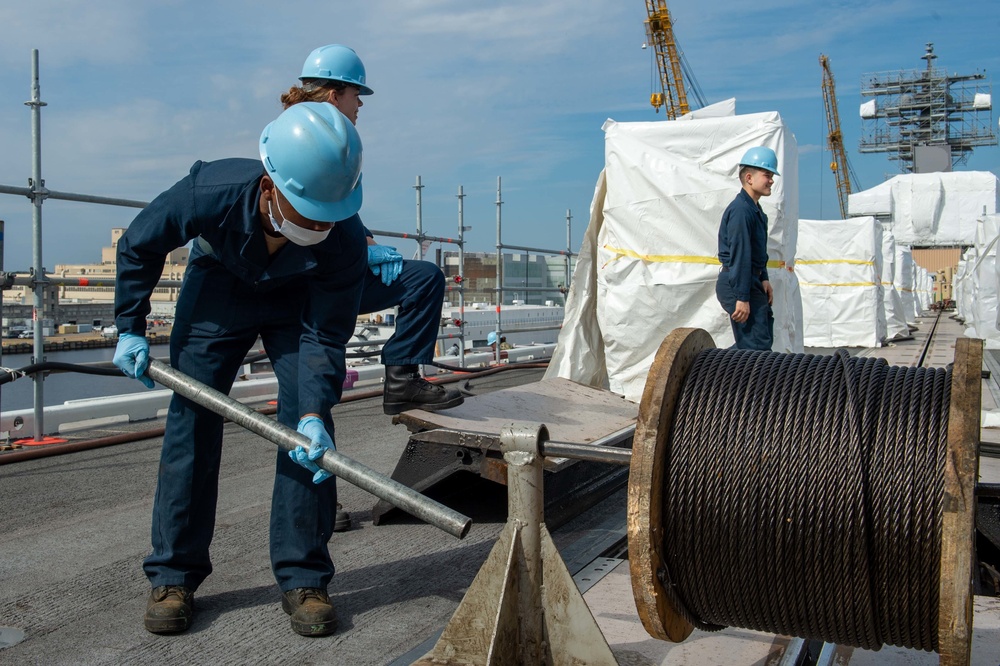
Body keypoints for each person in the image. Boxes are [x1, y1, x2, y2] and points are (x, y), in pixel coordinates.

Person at [113, 102, 367, 637]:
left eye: (327, 214)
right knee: (192, 422)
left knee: (306, 431)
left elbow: (325, 334)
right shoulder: (211, 190)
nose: (318, 222)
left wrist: (317, 408)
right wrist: (130, 324)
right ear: (271, 187)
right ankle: (174, 574)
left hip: (296, 299)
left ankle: (305, 577)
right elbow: (140, 243)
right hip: (218, 288)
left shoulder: (341, 238)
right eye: (307, 211)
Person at [281, 44, 463, 416]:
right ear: (335, 95)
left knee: (423, 278)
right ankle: (397, 382)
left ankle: (401, 381)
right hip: (311, 277)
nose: (360, 105)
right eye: (356, 95)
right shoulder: (298, 142)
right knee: (424, 279)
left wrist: (366, 243)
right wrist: (358, 252)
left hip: (336, 264)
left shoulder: (328, 141)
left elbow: (338, 209)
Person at [715, 146, 778, 350]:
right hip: (737, 282)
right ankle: (710, 376)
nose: (771, 181)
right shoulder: (742, 211)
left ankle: (715, 373)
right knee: (755, 346)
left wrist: (764, 278)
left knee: (759, 341)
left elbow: (757, 252)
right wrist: (742, 298)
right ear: (749, 178)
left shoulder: (755, 211)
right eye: (767, 175)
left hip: (750, 281)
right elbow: (740, 256)